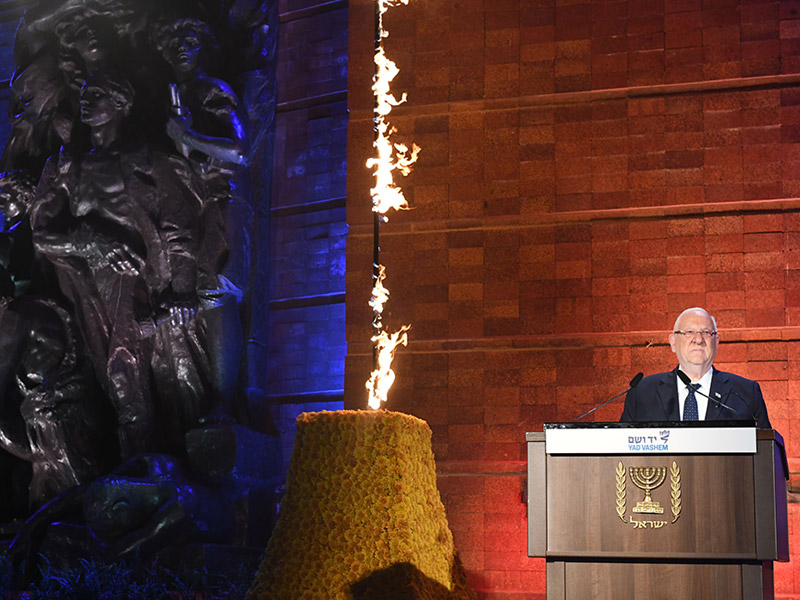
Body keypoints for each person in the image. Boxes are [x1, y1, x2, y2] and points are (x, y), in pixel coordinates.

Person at [620, 307, 771, 428]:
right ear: (673, 342)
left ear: (716, 342)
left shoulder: (745, 393)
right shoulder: (643, 392)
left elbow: (766, 453)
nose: (698, 339)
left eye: (706, 332)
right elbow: (621, 451)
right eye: (689, 332)